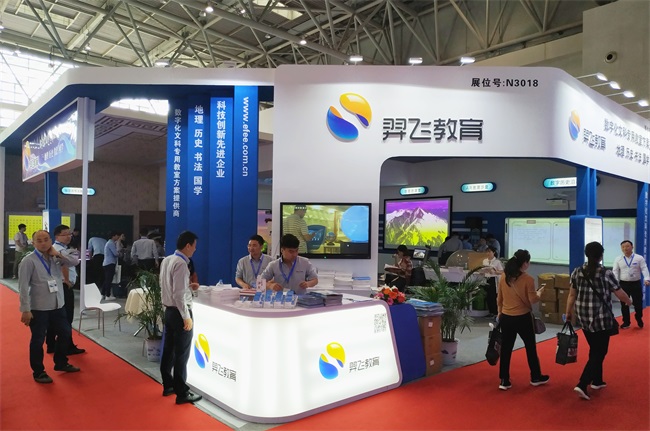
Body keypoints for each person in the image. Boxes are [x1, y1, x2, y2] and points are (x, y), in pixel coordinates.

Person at [566, 241, 632, 400]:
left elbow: (572, 295)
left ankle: (597, 380)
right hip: (601, 319)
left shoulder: (577, 272)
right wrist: (629, 301)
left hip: (583, 317)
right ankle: (582, 383)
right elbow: (619, 292)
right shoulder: (605, 273)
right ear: (601, 256)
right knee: (600, 352)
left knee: (594, 348)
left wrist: (568, 312)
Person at [19, 230, 81, 384]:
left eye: (46, 239)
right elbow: (23, 287)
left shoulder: (55, 257)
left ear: (51, 240)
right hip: (39, 307)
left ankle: (61, 362)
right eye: (39, 240)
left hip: (57, 305)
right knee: (38, 340)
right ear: (33, 243)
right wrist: (25, 309)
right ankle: (39, 372)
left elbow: (74, 262)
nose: (43, 243)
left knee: (65, 333)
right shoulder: (28, 261)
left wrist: (57, 254)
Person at [496, 249, 549, 391]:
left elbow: (499, 298)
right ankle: (535, 376)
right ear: (524, 263)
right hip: (523, 318)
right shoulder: (528, 279)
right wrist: (540, 292)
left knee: (506, 349)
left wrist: (499, 313)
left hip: (506, 317)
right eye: (528, 262)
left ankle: (504, 379)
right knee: (530, 347)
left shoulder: (504, 276)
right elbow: (533, 300)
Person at [160, 230, 202, 405]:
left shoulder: (167, 260)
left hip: (169, 311)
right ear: (188, 245)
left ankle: (168, 384)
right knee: (181, 353)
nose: (195, 249)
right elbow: (178, 295)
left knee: (169, 349)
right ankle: (182, 392)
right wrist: (186, 316)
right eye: (194, 246)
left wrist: (188, 287)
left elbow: (168, 287)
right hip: (179, 312)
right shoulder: (182, 264)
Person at [46, 225, 85, 355]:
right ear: (57, 236)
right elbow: (69, 264)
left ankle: (52, 344)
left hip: (60, 285)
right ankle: (67, 346)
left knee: (56, 316)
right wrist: (67, 280)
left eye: (69, 234)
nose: (68, 236)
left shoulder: (60, 249)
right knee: (67, 316)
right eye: (65, 234)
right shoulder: (58, 250)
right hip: (63, 286)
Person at [612, 240, 649, 329]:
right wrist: (614, 283)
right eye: (623, 247)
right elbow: (615, 271)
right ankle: (626, 322)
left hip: (636, 284)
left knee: (638, 303)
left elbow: (644, 268)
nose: (625, 248)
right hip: (623, 284)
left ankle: (638, 317)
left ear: (632, 247)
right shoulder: (618, 259)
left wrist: (647, 279)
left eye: (627, 246)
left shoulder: (639, 258)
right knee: (624, 303)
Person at [482, 245, 503, 318]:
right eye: (487, 252)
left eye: (489, 252)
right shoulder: (485, 261)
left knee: (493, 296)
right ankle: (490, 312)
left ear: (493, 252)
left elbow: (502, 271)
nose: (488, 253)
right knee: (488, 296)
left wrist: (495, 272)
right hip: (486, 279)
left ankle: (496, 312)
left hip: (494, 279)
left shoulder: (497, 262)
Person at [101, 231, 120, 300]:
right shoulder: (111, 243)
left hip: (107, 263)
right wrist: (119, 253)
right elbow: (115, 253)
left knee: (106, 280)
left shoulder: (109, 243)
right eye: (117, 236)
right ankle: (108, 295)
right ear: (113, 236)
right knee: (109, 280)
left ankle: (103, 294)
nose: (118, 237)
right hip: (110, 263)